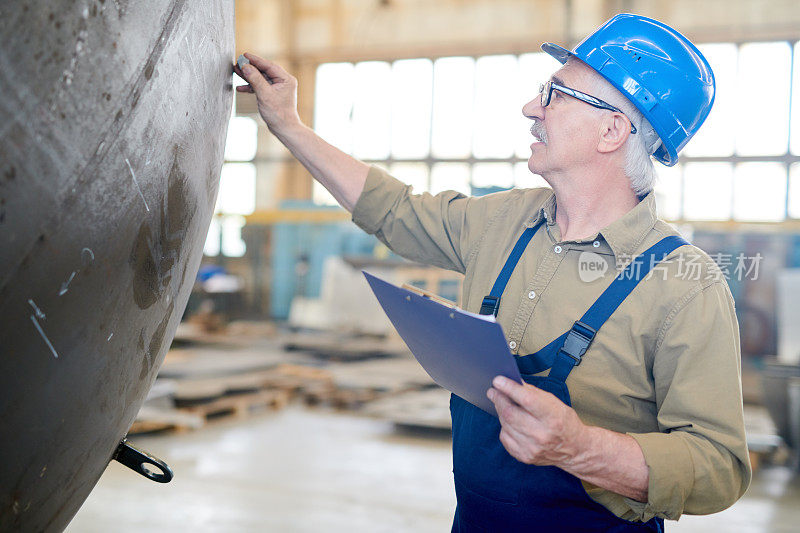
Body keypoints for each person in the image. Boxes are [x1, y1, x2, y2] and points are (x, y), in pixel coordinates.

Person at [236, 13, 750, 532]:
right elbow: (394, 210)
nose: (532, 109)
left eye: (555, 94)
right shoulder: (505, 220)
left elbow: (719, 467)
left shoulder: (685, 283)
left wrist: (581, 448)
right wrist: (288, 126)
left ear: (612, 130)